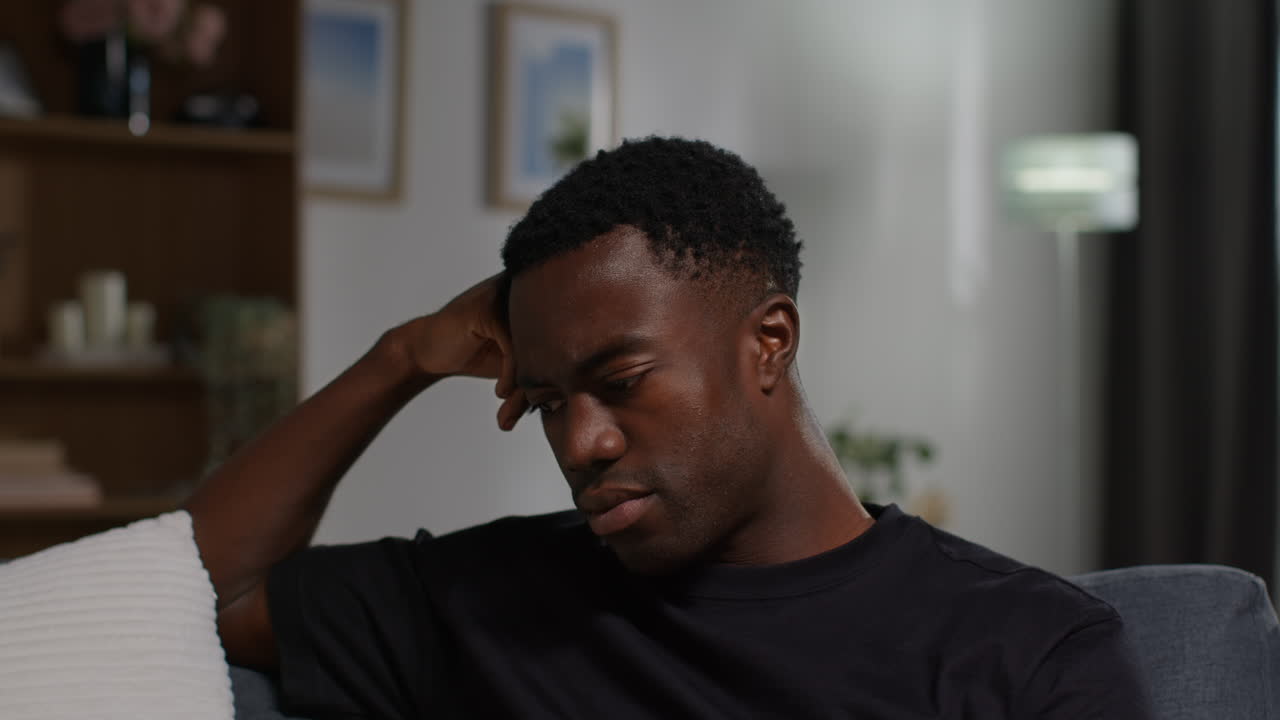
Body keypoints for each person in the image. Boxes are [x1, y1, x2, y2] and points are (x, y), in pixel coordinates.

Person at [185, 137, 1153, 718]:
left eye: (621, 382)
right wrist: (400, 358)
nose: (580, 444)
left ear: (766, 343)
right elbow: (203, 592)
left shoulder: (1024, 653)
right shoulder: (492, 605)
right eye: (548, 401)